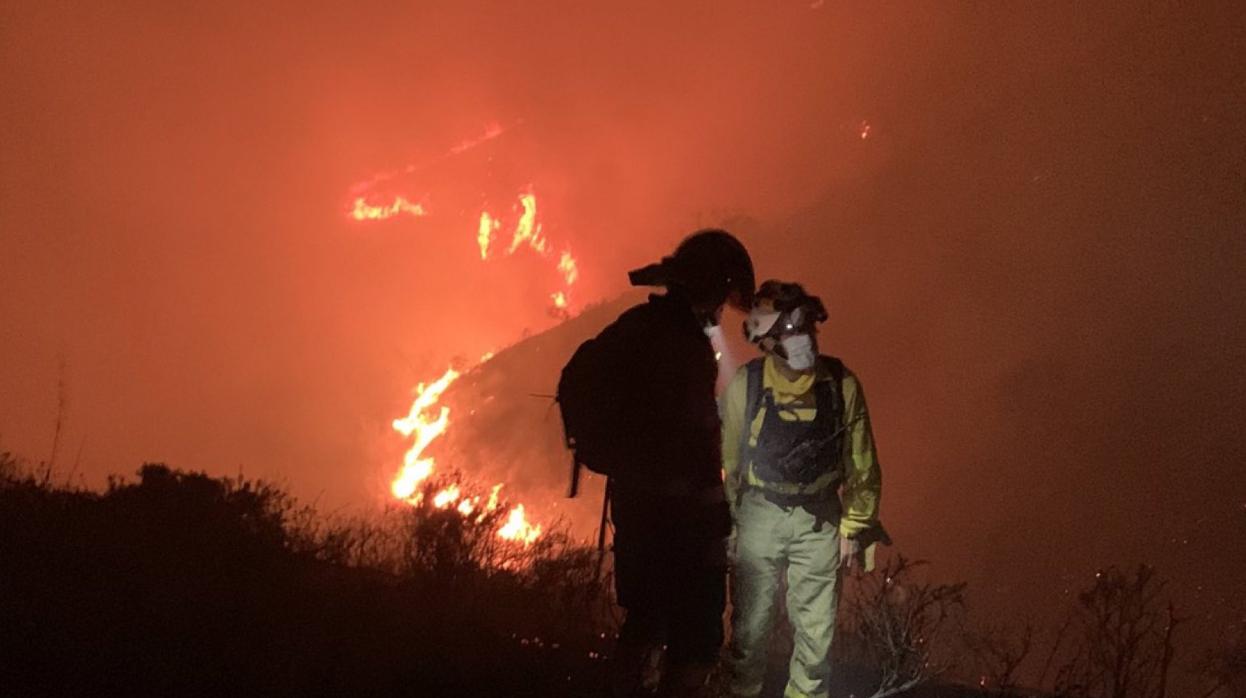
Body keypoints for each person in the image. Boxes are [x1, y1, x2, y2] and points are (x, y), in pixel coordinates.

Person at [561, 230, 753, 697]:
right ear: (708, 288)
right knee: (697, 641)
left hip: (637, 507)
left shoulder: (638, 327)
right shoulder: (682, 348)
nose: (721, 311)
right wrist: (718, 513)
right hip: (681, 521)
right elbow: (693, 440)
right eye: (720, 298)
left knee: (645, 622)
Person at [721, 280, 886, 698]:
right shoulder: (748, 384)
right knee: (749, 636)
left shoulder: (840, 385)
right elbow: (729, 462)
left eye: (806, 326)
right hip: (760, 513)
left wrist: (855, 526)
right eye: (791, 329)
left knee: (815, 645)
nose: (803, 338)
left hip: (820, 520)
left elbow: (861, 462)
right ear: (767, 338)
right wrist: (730, 524)